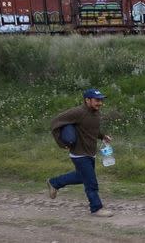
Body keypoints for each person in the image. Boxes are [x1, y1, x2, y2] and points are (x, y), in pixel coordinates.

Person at [46, 88, 114, 217]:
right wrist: (62, 142)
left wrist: (102, 136)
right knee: (91, 182)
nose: (100, 103)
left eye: (101, 100)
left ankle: (54, 182)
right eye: (96, 100)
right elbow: (55, 122)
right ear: (87, 100)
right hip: (79, 153)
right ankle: (96, 208)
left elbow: (91, 129)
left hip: (90, 152)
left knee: (81, 177)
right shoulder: (78, 112)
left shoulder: (96, 113)